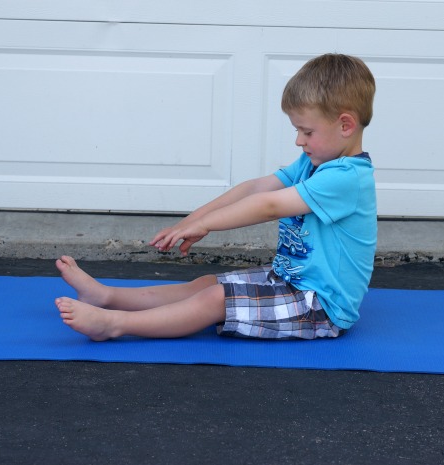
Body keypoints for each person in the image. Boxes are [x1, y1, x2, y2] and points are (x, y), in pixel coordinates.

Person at [55, 53, 377, 341]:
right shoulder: (313, 163)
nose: (298, 141)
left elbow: (267, 206)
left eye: (306, 132)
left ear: (345, 125)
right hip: (288, 281)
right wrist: (195, 218)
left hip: (319, 307)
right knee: (206, 285)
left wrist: (207, 225)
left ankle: (114, 324)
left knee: (214, 300)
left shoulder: (348, 178)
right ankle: (107, 297)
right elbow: (256, 188)